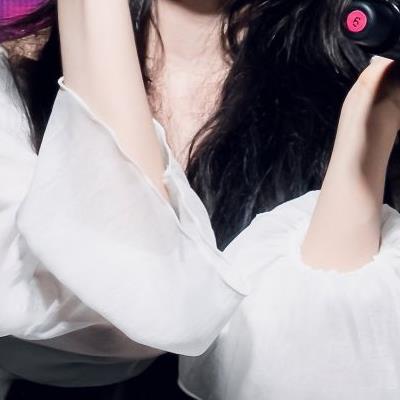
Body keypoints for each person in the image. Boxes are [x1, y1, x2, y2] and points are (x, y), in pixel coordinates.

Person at [2, 0, 400, 399]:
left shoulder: (347, 75)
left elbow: (320, 361)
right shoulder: (16, 82)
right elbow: (136, 298)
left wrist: (370, 125)